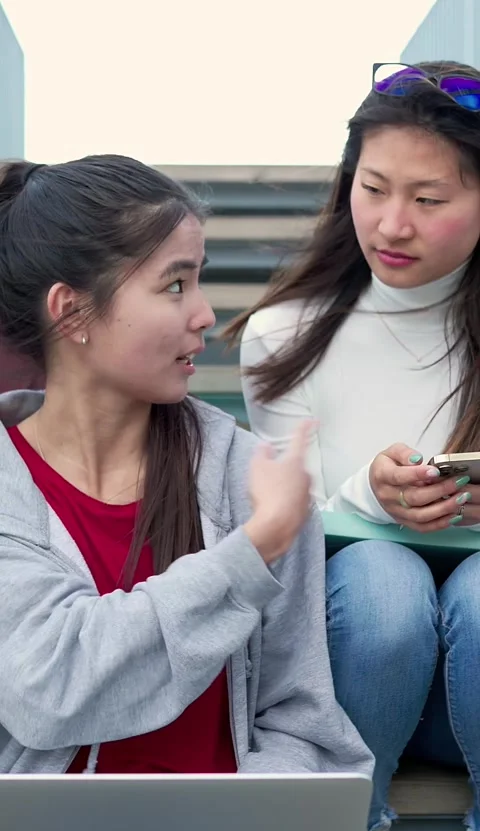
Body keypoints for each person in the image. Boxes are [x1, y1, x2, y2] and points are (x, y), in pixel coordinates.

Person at [0, 155, 373, 781]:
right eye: (175, 285)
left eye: (199, 281)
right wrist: (249, 555)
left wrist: (243, 823)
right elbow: (51, 688)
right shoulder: (10, 488)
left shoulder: (252, 481)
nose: (205, 314)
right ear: (71, 312)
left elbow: (298, 719)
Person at [229, 62, 480, 831]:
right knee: (381, 581)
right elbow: (279, 531)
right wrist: (372, 496)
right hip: (356, 663)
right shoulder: (288, 334)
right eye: (372, 188)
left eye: (429, 199)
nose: (391, 224)